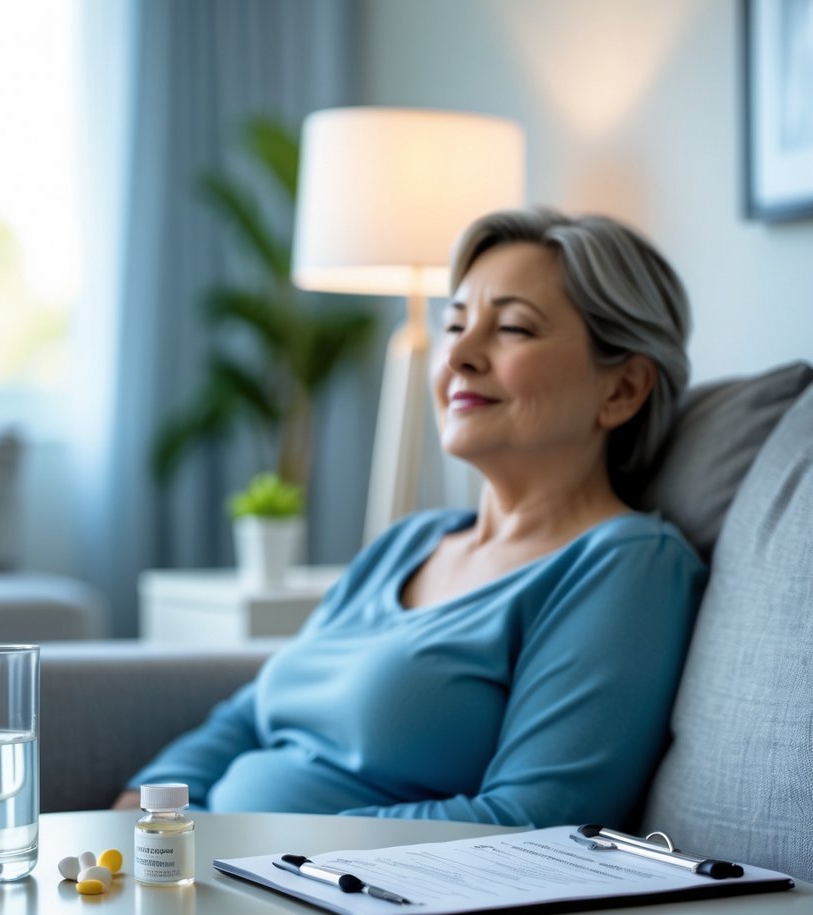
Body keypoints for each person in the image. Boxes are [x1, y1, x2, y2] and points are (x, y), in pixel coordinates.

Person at [115, 206, 708, 828]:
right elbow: (247, 713)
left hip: (327, 898)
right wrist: (143, 810)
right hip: (206, 869)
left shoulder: (627, 563)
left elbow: (533, 818)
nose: (460, 356)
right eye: (454, 325)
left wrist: (271, 847)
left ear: (622, 390)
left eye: (512, 328)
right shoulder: (409, 542)